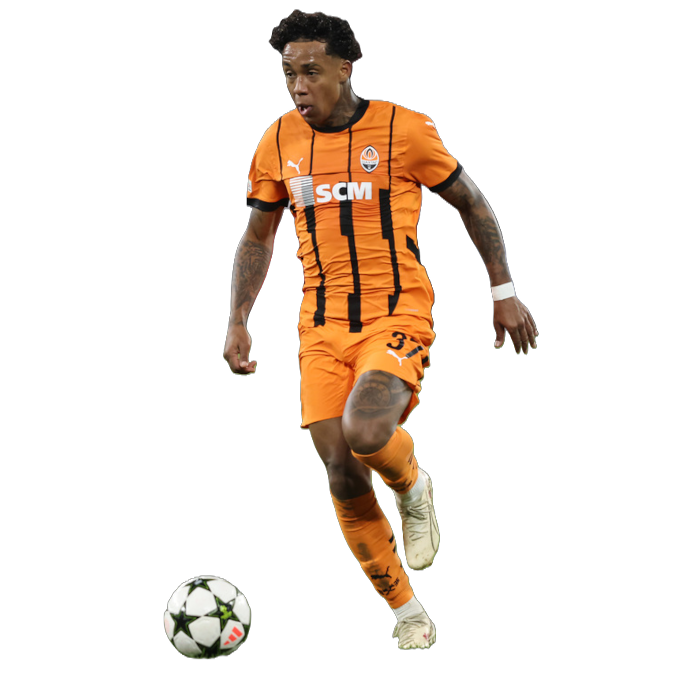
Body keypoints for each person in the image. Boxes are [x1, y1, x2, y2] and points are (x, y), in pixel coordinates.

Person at [223, 10, 538, 650]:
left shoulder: (403, 130)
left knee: (367, 432)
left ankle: (413, 485)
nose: (299, 86)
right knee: (341, 473)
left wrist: (503, 292)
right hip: (319, 328)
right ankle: (408, 613)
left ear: (345, 68)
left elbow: (472, 203)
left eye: (312, 72)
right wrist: (237, 320)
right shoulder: (277, 141)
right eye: (289, 74)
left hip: (396, 314)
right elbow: (258, 236)